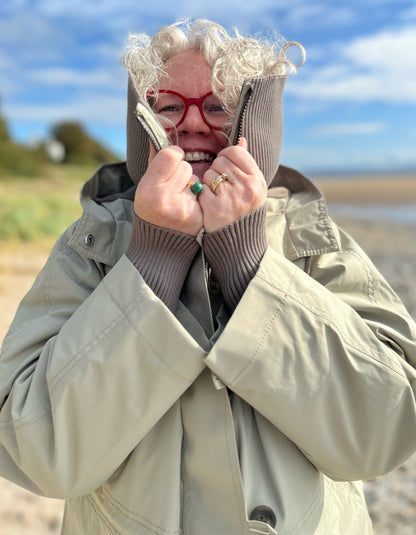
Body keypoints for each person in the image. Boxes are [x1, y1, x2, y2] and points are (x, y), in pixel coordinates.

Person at [1, 18, 416, 535]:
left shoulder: (314, 239)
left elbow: (387, 430)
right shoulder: (90, 246)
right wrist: (153, 260)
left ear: (255, 119)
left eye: (218, 106)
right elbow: (34, 450)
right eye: (168, 107)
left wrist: (248, 265)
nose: (192, 125)